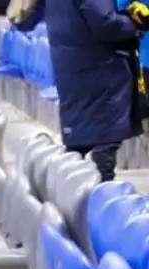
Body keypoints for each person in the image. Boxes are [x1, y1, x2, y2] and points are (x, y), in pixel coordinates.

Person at [47, 0, 141, 181]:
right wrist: (134, 23)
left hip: (72, 66)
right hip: (99, 68)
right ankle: (99, 192)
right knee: (104, 140)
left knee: (78, 141)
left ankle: (74, 194)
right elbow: (106, 24)